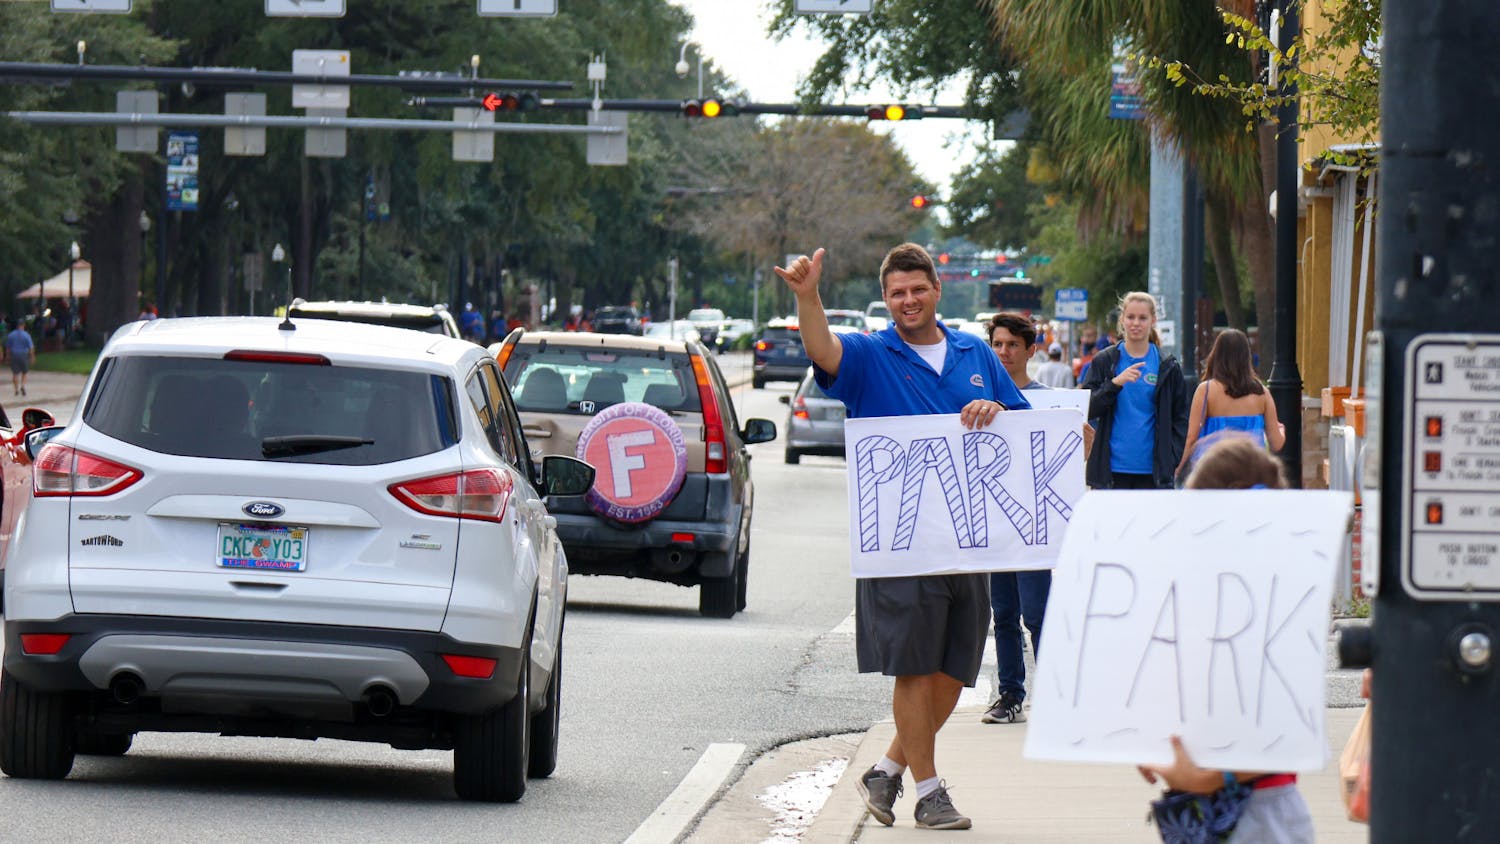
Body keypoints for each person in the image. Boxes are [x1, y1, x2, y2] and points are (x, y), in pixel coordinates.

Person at [775, 243, 1029, 831]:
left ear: (936, 289)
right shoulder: (870, 354)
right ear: (886, 300)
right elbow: (822, 349)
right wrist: (808, 297)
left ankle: (886, 769)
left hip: (970, 541)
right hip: (901, 540)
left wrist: (998, 409)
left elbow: (1019, 429)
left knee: (953, 672)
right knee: (914, 668)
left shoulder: (974, 352)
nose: (908, 300)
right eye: (897, 293)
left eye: (917, 289)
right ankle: (930, 791)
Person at [1138, 438, 1315, 843]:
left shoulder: (1273, 607)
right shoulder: (1219, 601)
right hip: (1228, 807)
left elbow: (1291, 735)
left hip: (1256, 811)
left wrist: (1207, 777)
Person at [979, 313, 1054, 727]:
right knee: (1003, 612)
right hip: (995, 523)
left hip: (1034, 526)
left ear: (1031, 349)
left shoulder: (1048, 401)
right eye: (998, 344)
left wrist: (1081, 444)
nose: (1004, 352)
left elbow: (1064, 467)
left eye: (1012, 345)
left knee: (1038, 614)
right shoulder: (977, 400)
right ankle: (1011, 695)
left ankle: (1056, 695)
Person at [1079, 292, 1188, 489]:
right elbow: (1087, 408)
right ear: (1122, 319)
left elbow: (1180, 416)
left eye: (1142, 318)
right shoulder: (1105, 361)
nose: (1136, 323)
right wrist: (1114, 384)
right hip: (1110, 471)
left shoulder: (1167, 365)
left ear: (1153, 320)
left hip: (1153, 473)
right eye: (1130, 317)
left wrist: (1171, 456)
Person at [1175, 328, 1286, 480]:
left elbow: (1191, 438)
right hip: (1252, 474)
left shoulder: (1206, 390)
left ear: (1216, 355)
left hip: (1213, 472)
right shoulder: (1262, 393)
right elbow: (1276, 444)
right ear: (1246, 357)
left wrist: (1176, 469)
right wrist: (1282, 430)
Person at [3, 320, 35, 397]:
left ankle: (16, 390)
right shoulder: (26, 335)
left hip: (14, 355)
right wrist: (32, 357)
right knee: (24, 372)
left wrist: (7, 356)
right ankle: (23, 386)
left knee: (15, 373)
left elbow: (8, 348)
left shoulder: (11, 335)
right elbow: (31, 347)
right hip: (24, 354)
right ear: (23, 325)